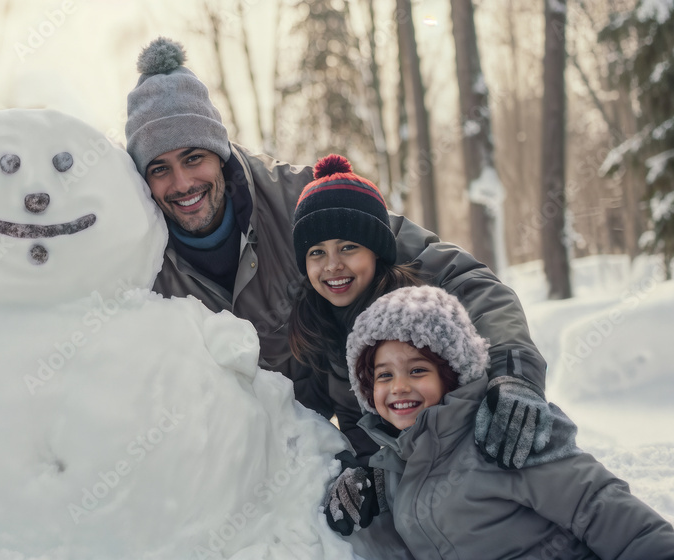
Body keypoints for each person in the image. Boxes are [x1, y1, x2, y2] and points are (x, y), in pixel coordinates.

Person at [125, 36, 548, 468]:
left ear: (220, 154)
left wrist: (513, 371)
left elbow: (462, 277)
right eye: (159, 168)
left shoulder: (307, 203)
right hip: (257, 461)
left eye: (193, 157)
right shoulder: (140, 256)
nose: (181, 184)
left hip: (392, 418)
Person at [323, 284, 674, 558]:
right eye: (384, 376)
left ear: (452, 374)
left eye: (417, 370)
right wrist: (367, 491)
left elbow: (603, 510)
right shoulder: (397, 464)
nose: (399, 387)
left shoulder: (504, 433)